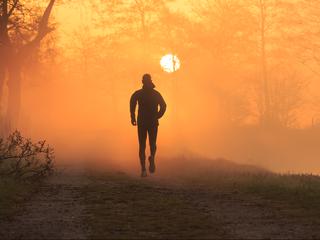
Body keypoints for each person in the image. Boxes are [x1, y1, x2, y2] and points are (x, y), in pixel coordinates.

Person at [130, 73, 166, 177]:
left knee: (142, 145)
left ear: (142, 82)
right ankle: (152, 158)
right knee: (153, 143)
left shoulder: (138, 93)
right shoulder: (156, 94)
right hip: (152, 122)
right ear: (150, 81)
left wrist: (132, 117)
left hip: (142, 122)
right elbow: (163, 106)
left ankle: (143, 169)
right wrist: (158, 115)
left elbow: (132, 103)